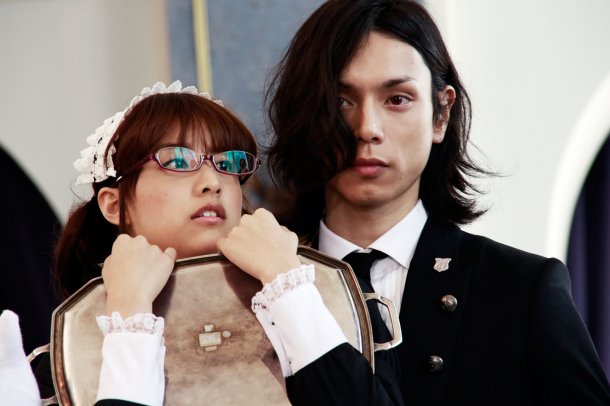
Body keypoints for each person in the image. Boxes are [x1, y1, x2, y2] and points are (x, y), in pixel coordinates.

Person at [220, 0, 610, 405]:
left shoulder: (520, 289)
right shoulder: (240, 286)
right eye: (340, 101)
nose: (367, 129)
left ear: (441, 114)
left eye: (397, 99)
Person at [30, 80, 288, 406]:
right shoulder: (63, 360)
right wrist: (130, 313)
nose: (212, 182)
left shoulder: (295, 300)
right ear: (114, 205)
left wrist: (289, 286)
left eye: (227, 164)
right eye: (178, 161)